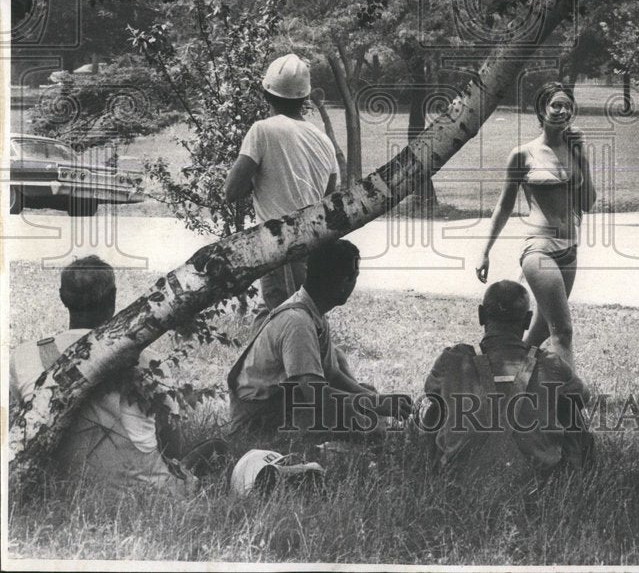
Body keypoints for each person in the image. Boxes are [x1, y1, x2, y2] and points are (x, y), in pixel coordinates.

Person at [9, 256, 205, 494]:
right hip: (145, 493)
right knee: (215, 449)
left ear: (62, 297)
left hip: (61, 490)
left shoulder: (25, 356)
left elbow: (17, 429)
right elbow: (172, 447)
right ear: (113, 297)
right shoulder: (149, 361)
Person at [227, 236, 410, 440]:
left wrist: (373, 399)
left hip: (283, 405)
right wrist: (374, 404)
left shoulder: (312, 310)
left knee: (366, 398)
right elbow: (317, 396)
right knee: (365, 426)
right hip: (255, 423)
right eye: (354, 276)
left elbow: (333, 375)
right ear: (344, 282)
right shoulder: (298, 322)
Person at [477, 81, 596, 372]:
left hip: (569, 248)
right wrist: (485, 250)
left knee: (539, 335)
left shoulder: (574, 150)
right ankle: (570, 405)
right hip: (539, 249)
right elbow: (504, 206)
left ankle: (505, 378)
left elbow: (588, 203)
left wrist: (584, 161)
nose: (562, 111)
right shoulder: (524, 154)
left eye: (568, 106)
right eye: (556, 105)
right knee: (563, 331)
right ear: (542, 109)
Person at [419, 280, 592, 479]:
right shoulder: (550, 364)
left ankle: (430, 473)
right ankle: (577, 477)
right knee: (569, 404)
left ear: (481, 315)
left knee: (437, 407)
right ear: (527, 321)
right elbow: (583, 397)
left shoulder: (453, 359)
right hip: (535, 480)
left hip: (461, 479)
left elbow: (430, 392)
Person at [225, 53, 340, 311]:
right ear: (305, 98)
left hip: (279, 247)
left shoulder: (262, 130)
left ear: (266, 94)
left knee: (285, 320)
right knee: (292, 318)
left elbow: (231, 191)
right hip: (314, 249)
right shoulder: (324, 141)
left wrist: (256, 181)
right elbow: (330, 197)